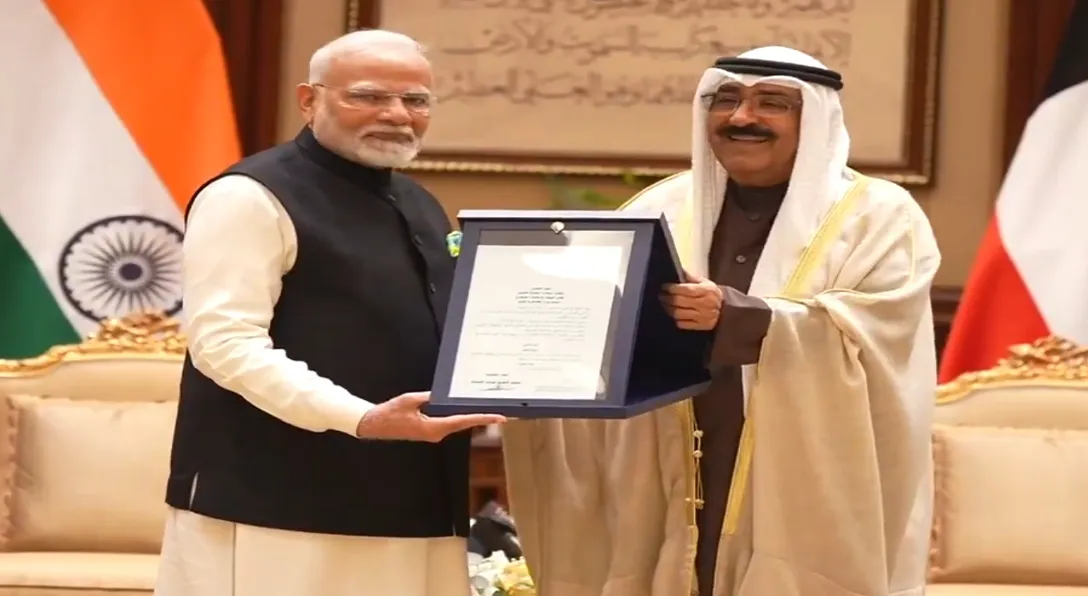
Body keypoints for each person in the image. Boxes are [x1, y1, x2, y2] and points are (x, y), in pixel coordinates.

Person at [502, 46, 939, 596]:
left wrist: (743, 318)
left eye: (770, 103)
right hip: (661, 462)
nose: (741, 117)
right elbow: (589, 324)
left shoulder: (878, 216)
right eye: (726, 99)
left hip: (799, 476)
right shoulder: (656, 208)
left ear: (815, 118)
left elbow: (877, 333)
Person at [155, 30, 504, 596]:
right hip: (277, 502)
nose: (396, 115)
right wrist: (360, 417)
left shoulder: (417, 202)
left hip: (412, 496)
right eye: (367, 96)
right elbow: (224, 344)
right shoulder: (249, 195)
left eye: (416, 100)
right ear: (308, 99)